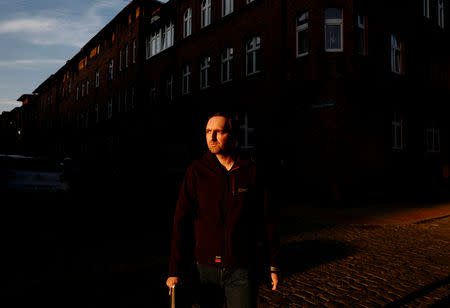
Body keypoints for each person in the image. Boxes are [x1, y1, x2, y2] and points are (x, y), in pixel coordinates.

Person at [166, 112, 280, 308]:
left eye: (218, 132)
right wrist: (174, 270)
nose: (211, 137)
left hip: (242, 269)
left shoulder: (251, 170)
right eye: (208, 131)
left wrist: (274, 264)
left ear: (232, 136)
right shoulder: (197, 171)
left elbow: (267, 218)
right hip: (205, 271)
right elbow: (181, 220)